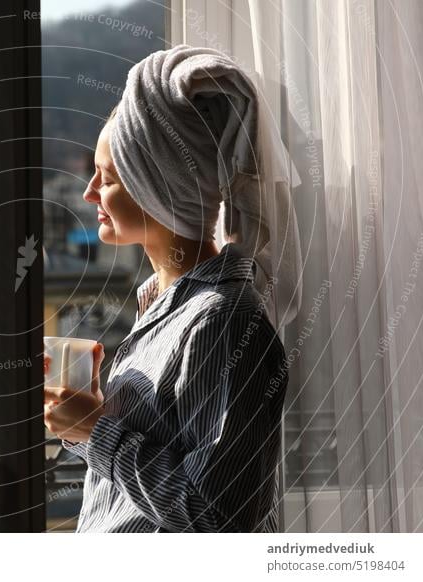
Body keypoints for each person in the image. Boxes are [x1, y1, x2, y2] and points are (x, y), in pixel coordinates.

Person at [43, 45, 297, 533]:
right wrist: (81, 423)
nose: (88, 192)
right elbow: (146, 479)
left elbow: (219, 519)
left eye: (108, 178)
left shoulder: (221, 320)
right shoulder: (161, 307)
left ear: (157, 187)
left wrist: (96, 431)